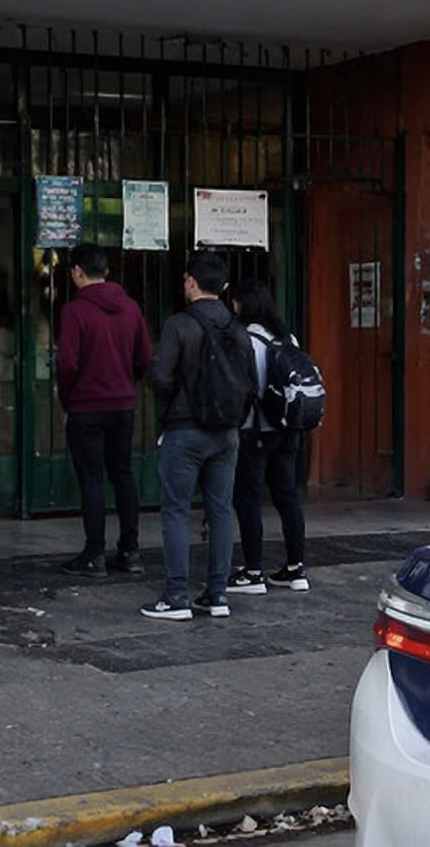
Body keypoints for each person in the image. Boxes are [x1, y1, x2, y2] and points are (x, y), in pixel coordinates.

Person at [144, 252, 254, 621]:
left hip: (184, 429)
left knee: (176, 510)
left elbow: (160, 377)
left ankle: (176, 596)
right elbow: (250, 383)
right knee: (221, 510)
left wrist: (177, 399)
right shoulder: (238, 329)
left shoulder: (178, 325)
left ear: (189, 280)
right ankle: (217, 593)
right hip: (226, 432)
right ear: (224, 287)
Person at [56, 243, 153, 579]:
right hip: (123, 404)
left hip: (86, 407)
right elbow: (144, 358)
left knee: (92, 480)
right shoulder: (131, 309)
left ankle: (94, 554)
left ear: (77, 272)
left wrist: (68, 400)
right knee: (123, 475)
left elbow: (67, 363)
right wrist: (127, 382)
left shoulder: (74, 311)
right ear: (107, 271)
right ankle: (131, 550)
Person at [224, 280, 310, 595]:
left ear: (243, 306)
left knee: (248, 500)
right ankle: (296, 568)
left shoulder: (244, 339)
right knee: (287, 497)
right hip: (288, 429)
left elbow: (240, 387)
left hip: (254, 431)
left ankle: (253, 571)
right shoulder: (288, 339)